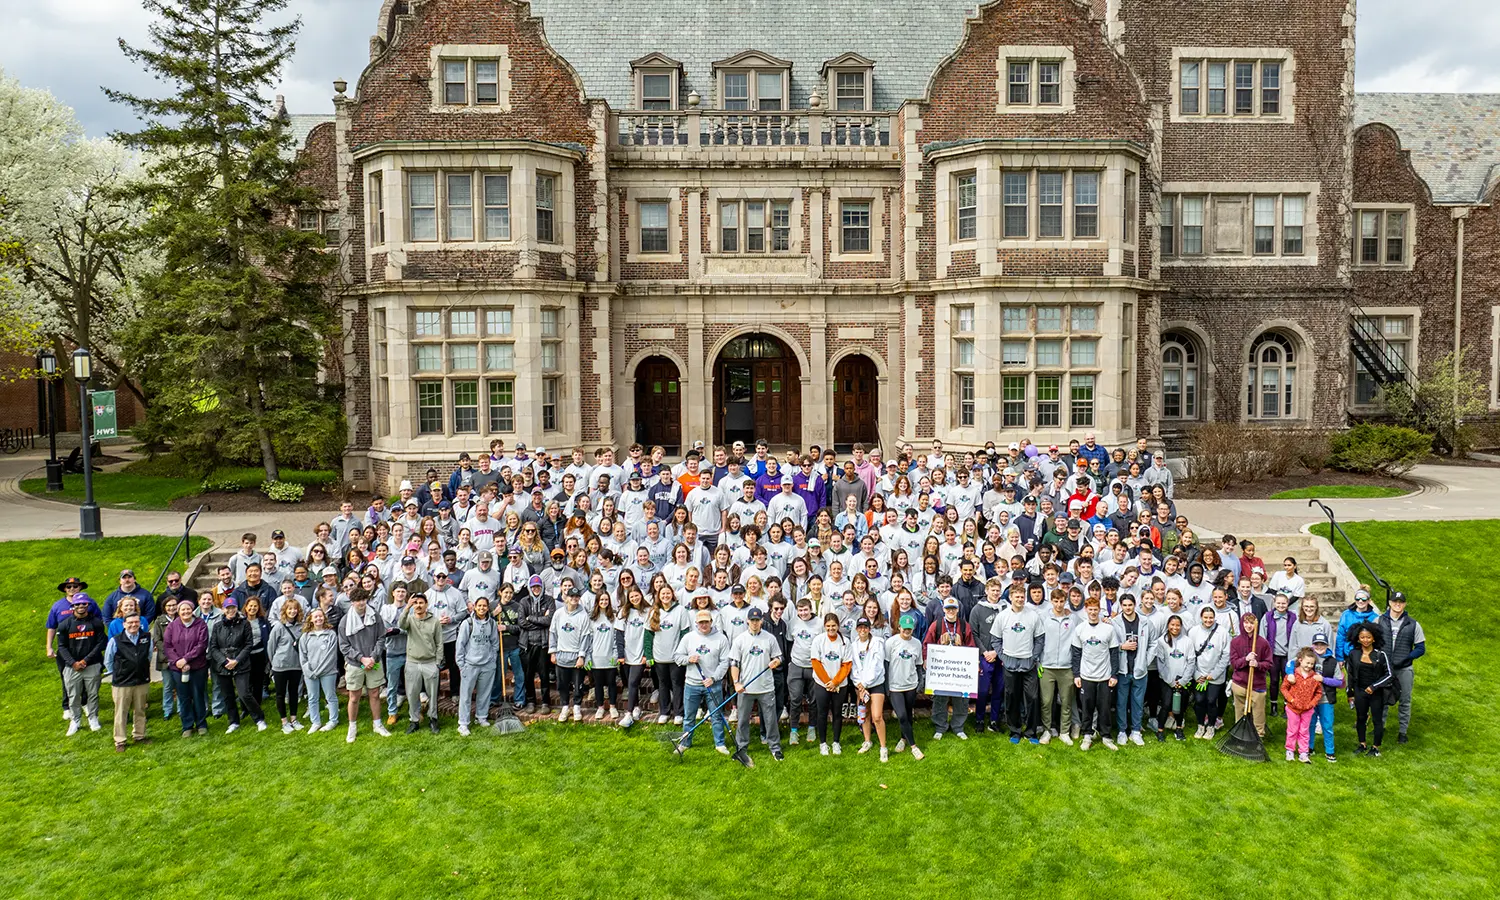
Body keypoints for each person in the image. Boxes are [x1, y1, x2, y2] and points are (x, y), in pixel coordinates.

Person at [729, 606, 784, 766]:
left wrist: (776, 661)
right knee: (743, 720)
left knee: (770, 719)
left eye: (757, 620)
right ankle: (741, 748)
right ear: (747, 621)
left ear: (761, 621)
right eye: (752, 620)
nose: (754, 623)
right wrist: (736, 682)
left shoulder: (769, 638)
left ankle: (775, 748)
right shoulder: (740, 640)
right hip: (745, 688)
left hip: (766, 687)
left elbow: (779, 656)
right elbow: (734, 663)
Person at [676, 609, 732, 754]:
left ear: (711, 622)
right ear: (696, 623)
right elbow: (677, 657)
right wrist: (688, 659)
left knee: (716, 715)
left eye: (706, 622)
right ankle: (685, 743)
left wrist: (714, 678)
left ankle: (719, 744)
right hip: (692, 684)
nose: (704, 625)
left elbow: (725, 662)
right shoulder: (688, 638)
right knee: (689, 717)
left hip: (713, 684)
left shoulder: (721, 638)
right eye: (701, 622)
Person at [993, 584, 1044, 744]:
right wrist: (1003, 657)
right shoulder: (1002, 616)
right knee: (1012, 697)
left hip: (1028, 662)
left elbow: (1040, 638)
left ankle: (1031, 732)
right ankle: (1015, 731)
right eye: (1017, 597)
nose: (1020, 599)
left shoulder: (1033, 615)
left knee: (1033, 698)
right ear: (1010, 598)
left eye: (1022, 597)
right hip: (1010, 662)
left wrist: (1033, 657)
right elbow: (995, 639)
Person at [338, 589, 391, 742]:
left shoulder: (375, 616)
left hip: (373, 662)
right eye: (358, 600)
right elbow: (344, 646)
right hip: (356, 664)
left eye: (364, 600)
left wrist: (373, 657)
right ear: (352, 602)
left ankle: (377, 724)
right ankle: (352, 727)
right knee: (354, 696)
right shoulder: (345, 622)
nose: (361, 603)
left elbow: (381, 638)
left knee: (374, 693)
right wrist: (362, 659)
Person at [209, 598, 267, 733]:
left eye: (233, 607)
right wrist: (224, 661)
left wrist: (237, 660)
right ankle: (233, 721)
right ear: (223, 609)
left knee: (244, 693)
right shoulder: (218, 626)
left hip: (241, 663)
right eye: (227, 608)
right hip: (222, 665)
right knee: (228, 695)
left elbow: (248, 644)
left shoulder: (244, 624)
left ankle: (259, 718)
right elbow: (213, 647)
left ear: (237, 608)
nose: (230, 610)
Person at [1070, 596, 1120, 751]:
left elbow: (1114, 653)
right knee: (1087, 707)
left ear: (1099, 610)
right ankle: (1087, 735)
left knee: (1104, 707)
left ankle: (1106, 736)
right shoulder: (1080, 629)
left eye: (1095, 610)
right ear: (1086, 610)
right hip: (1086, 676)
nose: (1092, 612)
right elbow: (1076, 653)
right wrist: (1076, 674)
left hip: (1104, 676)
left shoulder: (1108, 629)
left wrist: (1114, 675)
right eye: (1090, 610)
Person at [924, 598, 974, 741]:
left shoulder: (964, 626)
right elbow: (927, 644)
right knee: (940, 697)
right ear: (943, 610)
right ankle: (940, 726)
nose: (951, 611)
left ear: (958, 610)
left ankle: (958, 727)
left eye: (953, 608)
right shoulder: (937, 625)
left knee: (961, 699)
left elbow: (971, 646)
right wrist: (927, 659)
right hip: (942, 669)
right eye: (948, 609)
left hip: (959, 670)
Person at [1378, 592, 1425, 744]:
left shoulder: (1413, 624)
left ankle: (1402, 732)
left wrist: (1407, 657)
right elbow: (1370, 640)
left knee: (1405, 700)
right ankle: (1380, 727)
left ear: (1404, 604)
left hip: (1404, 668)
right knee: (1382, 699)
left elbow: (1420, 648)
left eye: (1401, 602)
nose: (1397, 604)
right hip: (1384, 668)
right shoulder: (1379, 620)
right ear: (1390, 603)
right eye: (1395, 601)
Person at [57, 593, 107, 736]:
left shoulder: (96, 622)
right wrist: (73, 663)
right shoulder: (64, 624)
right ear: (73, 606)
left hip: (92, 665)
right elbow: (61, 647)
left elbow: (100, 643)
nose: (81, 606)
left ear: (88, 605)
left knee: (92, 694)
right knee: (73, 695)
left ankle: (93, 718)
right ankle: (75, 720)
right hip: (71, 667)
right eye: (77, 604)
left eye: (83, 604)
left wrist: (86, 660)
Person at [164, 594, 211, 737]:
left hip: (197, 666)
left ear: (192, 610)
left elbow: (201, 645)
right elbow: (167, 646)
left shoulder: (200, 624)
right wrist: (179, 661)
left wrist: (186, 659)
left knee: (198, 695)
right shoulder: (172, 626)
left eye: (188, 609)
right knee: (183, 697)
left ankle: (201, 723)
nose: (185, 612)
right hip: (177, 668)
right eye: (182, 610)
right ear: (178, 612)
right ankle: (187, 726)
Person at [104, 612, 152, 751]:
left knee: (140, 710)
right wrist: (120, 672)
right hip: (122, 682)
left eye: (136, 622)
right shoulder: (116, 640)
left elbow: (148, 656)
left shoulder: (146, 637)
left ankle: (139, 735)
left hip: (142, 680)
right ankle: (120, 740)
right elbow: (108, 661)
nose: (133, 625)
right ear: (124, 624)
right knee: (121, 712)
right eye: (130, 622)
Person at [1111, 594, 1155, 746]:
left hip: (1139, 670)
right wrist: (1121, 646)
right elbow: (1109, 645)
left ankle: (1136, 731)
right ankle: (1122, 731)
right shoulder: (1114, 622)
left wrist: (1145, 661)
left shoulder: (1145, 622)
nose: (1127, 608)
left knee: (1138, 701)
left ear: (1135, 605)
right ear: (1121, 606)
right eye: (1125, 605)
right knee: (1121, 702)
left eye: (1130, 605)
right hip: (1123, 669)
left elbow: (1153, 643)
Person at [1347, 622, 1394, 757]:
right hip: (1359, 691)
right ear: (1357, 638)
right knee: (1361, 718)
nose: (1365, 640)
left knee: (1377, 720)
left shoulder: (1381, 654)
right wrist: (1350, 693)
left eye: (1368, 637)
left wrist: (1374, 686)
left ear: (1374, 638)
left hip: (1376, 693)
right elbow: (1350, 674)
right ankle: (1362, 744)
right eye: (1362, 637)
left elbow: (1390, 674)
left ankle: (1375, 747)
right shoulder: (1353, 654)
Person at [809, 612, 853, 755]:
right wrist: (828, 682)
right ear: (824, 627)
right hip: (822, 684)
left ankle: (836, 742)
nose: (831, 629)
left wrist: (835, 682)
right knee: (822, 713)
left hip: (840, 684)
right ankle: (823, 743)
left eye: (833, 626)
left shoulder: (845, 641)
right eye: (828, 626)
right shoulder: (818, 640)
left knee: (837, 713)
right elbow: (816, 662)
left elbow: (846, 664)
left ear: (838, 626)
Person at [400, 593, 444, 733]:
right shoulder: (410, 620)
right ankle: (414, 721)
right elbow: (401, 624)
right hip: (412, 662)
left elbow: (439, 643)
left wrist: (437, 662)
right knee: (412, 694)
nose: (418, 605)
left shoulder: (435, 621)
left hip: (430, 662)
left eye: (421, 602)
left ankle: (433, 719)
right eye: (416, 603)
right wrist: (407, 607)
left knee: (432, 694)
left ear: (426, 604)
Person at [456, 596, 501, 735]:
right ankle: (463, 723)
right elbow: (460, 645)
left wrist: (492, 660)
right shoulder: (467, 623)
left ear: (488, 608)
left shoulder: (492, 624)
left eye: (484, 606)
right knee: (465, 695)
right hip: (470, 665)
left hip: (487, 664)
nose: (482, 608)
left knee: (485, 693)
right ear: (474, 607)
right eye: (479, 606)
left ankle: (481, 717)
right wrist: (461, 665)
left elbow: (495, 643)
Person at [1038, 588, 1077, 745]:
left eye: (1062, 601)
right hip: (1047, 666)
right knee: (1046, 701)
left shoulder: (1072, 619)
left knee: (1066, 701)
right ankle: (1047, 731)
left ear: (1065, 601)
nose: (1059, 604)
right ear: (1051, 601)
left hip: (1066, 667)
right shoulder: (1043, 618)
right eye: (1056, 601)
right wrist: (1038, 661)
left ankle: (1064, 732)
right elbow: (1038, 639)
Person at [884, 614, 925, 760]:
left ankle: (903, 739)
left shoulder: (917, 643)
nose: (907, 631)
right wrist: (887, 686)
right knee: (901, 715)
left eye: (910, 628)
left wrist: (920, 682)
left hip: (911, 684)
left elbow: (919, 665)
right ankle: (914, 747)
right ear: (899, 627)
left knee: (908, 714)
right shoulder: (891, 642)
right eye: (904, 628)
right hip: (895, 685)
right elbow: (886, 664)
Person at [848, 614, 887, 760]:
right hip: (860, 685)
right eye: (860, 627)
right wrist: (858, 683)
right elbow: (854, 667)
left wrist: (865, 683)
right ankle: (867, 741)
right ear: (857, 629)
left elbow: (877, 665)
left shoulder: (877, 642)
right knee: (864, 715)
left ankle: (883, 747)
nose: (863, 630)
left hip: (875, 683)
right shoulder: (854, 645)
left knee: (877, 716)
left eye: (865, 627)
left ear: (869, 629)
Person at [1188, 607, 1231, 739]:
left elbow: (1226, 655)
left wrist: (1215, 673)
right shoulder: (1194, 632)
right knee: (1200, 701)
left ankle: (1211, 726)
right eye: (1205, 617)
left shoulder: (1222, 632)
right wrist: (1196, 674)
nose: (1208, 620)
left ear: (1214, 618)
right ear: (1201, 617)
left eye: (1211, 617)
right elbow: (1190, 655)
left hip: (1215, 675)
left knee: (1212, 701)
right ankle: (1201, 725)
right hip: (1199, 673)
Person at [549, 587, 590, 722]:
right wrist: (553, 652)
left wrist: (581, 656)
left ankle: (577, 706)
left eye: (577, 597)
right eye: (571, 596)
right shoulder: (559, 614)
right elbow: (553, 633)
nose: (574, 599)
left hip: (575, 656)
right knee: (562, 684)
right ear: (565, 597)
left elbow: (585, 636)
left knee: (578, 684)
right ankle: (565, 706)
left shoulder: (583, 615)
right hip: (561, 655)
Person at [1230, 612, 1272, 738]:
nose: (1249, 625)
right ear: (1242, 624)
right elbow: (1234, 664)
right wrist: (1246, 659)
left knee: (1258, 714)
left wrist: (1257, 664)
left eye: (1251, 623)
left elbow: (1269, 663)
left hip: (1257, 684)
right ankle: (1240, 734)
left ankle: (1259, 736)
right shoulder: (1235, 642)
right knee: (1240, 712)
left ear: (1256, 625)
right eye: (1246, 622)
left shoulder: (1263, 643)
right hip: (1240, 683)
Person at [298, 608, 341, 732]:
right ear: (310, 619)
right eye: (315, 617)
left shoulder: (331, 634)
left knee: (330, 696)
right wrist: (308, 671)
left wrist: (318, 671)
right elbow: (303, 656)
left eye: (320, 616)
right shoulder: (305, 636)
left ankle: (333, 720)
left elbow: (330, 656)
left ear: (324, 618)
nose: (318, 619)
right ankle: (315, 722)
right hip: (310, 673)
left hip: (328, 672)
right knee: (312, 698)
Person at [266, 597, 305, 733]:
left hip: (296, 665)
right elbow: (271, 647)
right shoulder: (279, 627)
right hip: (280, 666)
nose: (292, 611)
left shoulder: (302, 627)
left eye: (295, 609)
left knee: (294, 693)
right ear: (285, 610)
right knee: (280, 694)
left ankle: (294, 719)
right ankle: (284, 721)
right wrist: (274, 662)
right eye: (290, 609)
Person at [1280, 647, 1325, 763]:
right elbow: (1284, 688)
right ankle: (1290, 750)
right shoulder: (1293, 675)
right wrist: (1291, 700)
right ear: (1300, 660)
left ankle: (1303, 753)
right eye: (1307, 663)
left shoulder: (1314, 677)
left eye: (1311, 664)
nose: (1309, 666)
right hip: (1292, 708)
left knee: (1304, 731)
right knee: (1292, 730)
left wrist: (1312, 703)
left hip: (1307, 709)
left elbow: (1318, 693)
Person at [1155, 615, 1194, 741]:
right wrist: (1171, 681)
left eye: (1177, 625)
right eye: (1172, 625)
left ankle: (1179, 729)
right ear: (1168, 625)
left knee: (1181, 705)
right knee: (1166, 705)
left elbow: (1191, 661)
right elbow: (1161, 664)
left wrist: (1183, 681)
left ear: (1181, 626)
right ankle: (1160, 730)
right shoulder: (1162, 641)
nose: (1175, 627)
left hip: (1182, 680)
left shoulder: (1187, 641)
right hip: (1167, 680)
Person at [1306, 631, 1344, 762]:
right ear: (1313, 645)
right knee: (1310, 724)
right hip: (1310, 698)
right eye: (1317, 644)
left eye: (1322, 644)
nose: (1319, 647)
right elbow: (1294, 668)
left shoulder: (1332, 661)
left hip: (1326, 698)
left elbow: (1339, 682)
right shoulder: (1308, 658)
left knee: (1327, 725)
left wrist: (1323, 679)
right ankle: (1309, 748)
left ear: (1327, 645)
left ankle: (1330, 751)